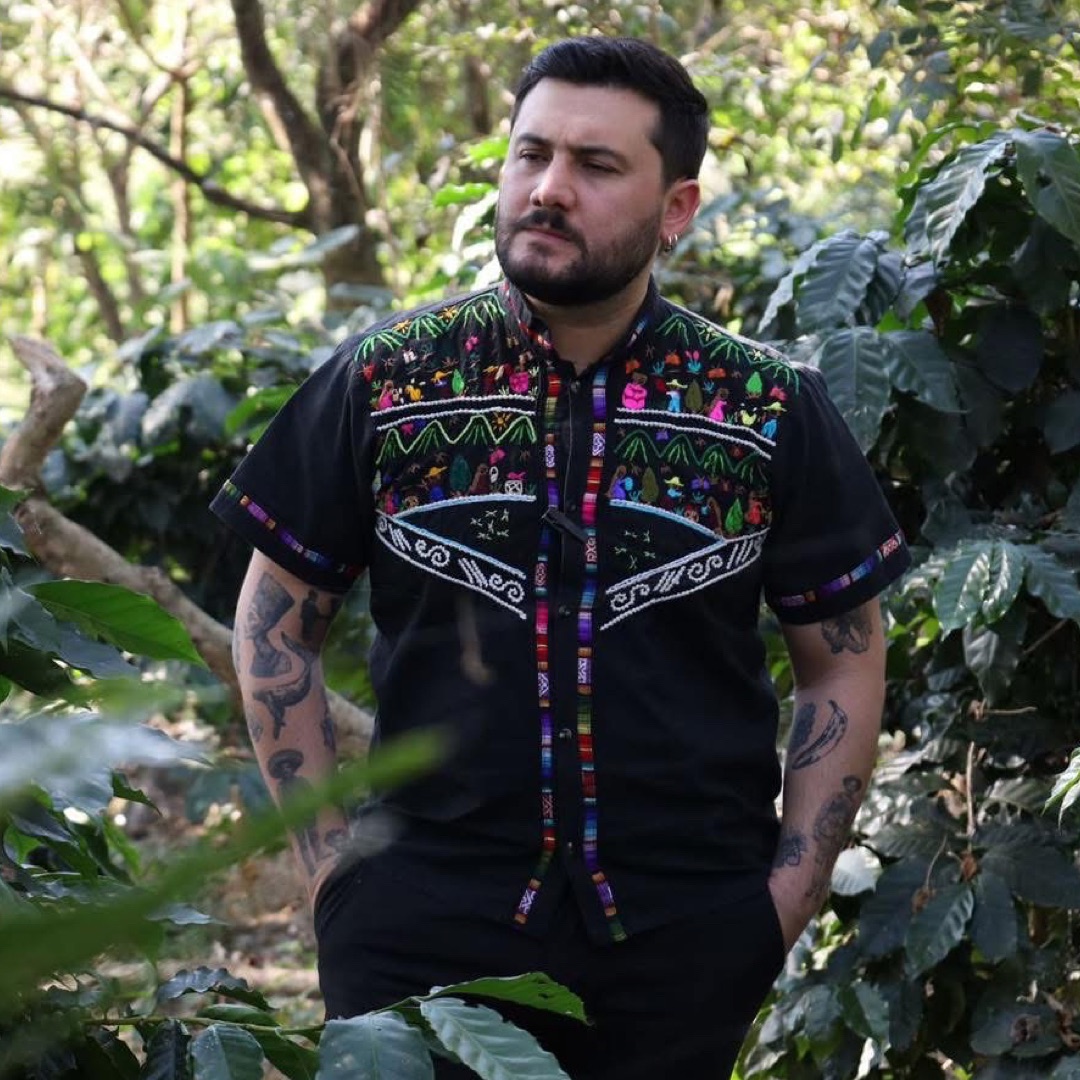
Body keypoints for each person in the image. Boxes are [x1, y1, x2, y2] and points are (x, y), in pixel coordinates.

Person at [212, 35, 911, 1079]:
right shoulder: (385, 381)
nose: (548, 188)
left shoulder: (769, 406)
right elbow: (276, 626)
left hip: (684, 940)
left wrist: (781, 906)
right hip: (416, 937)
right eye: (531, 154)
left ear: (677, 208)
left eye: (596, 164)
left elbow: (841, 660)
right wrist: (331, 884)